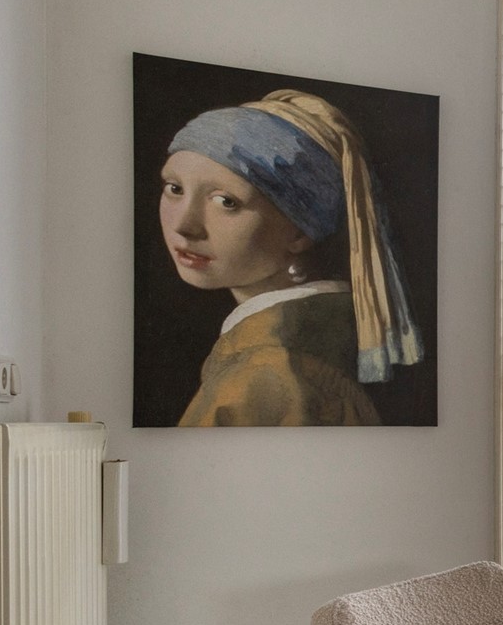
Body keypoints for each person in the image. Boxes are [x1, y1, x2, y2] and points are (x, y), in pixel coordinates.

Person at [158, 89, 423, 426]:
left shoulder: (266, 373)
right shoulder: (316, 343)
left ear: (300, 232)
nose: (184, 225)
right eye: (174, 188)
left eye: (226, 201)